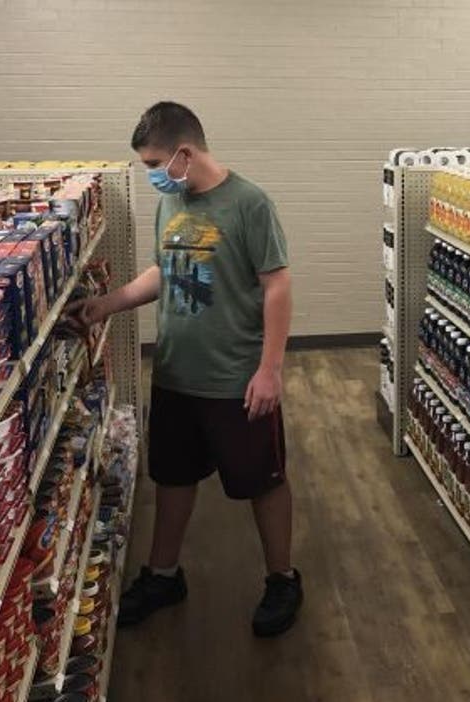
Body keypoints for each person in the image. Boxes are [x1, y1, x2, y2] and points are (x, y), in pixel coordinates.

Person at [67, 101, 301, 637]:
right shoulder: (170, 204)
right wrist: (108, 303)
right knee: (173, 477)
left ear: (185, 154)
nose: (152, 174)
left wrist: (270, 368)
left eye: (154, 163)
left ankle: (282, 578)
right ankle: (163, 575)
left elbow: (277, 285)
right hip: (176, 374)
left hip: (236, 379)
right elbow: (166, 269)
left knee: (262, 482)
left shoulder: (249, 204)